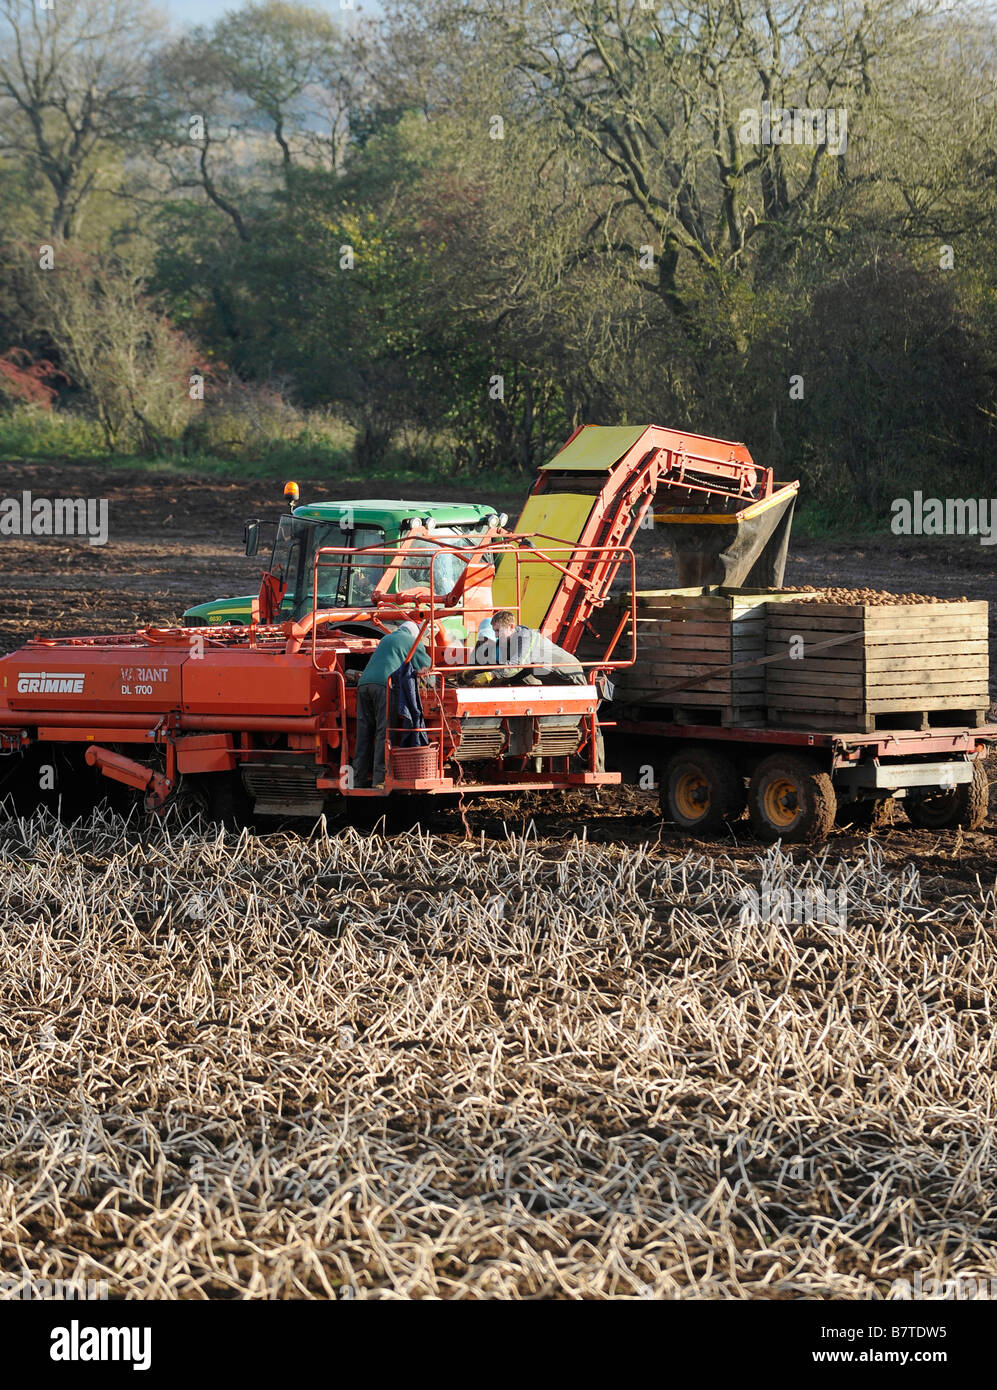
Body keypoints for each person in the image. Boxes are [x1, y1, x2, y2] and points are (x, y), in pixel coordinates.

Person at [353, 621, 431, 787]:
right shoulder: (412, 641)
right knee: (384, 731)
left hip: (364, 685)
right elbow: (426, 664)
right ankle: (380, 780)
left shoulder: (386, 638)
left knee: (364, 733)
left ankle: (357, 779)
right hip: (384, 686)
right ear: (415, 633)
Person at [485, 610, 587, 685]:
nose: (496, 635)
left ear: (511, 626)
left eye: (498, 630)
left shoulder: (526, 637)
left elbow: (517, 664)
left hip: (568, 675)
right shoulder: (510, 642)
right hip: (549, 675)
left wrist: (492, 675)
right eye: (495, 631)